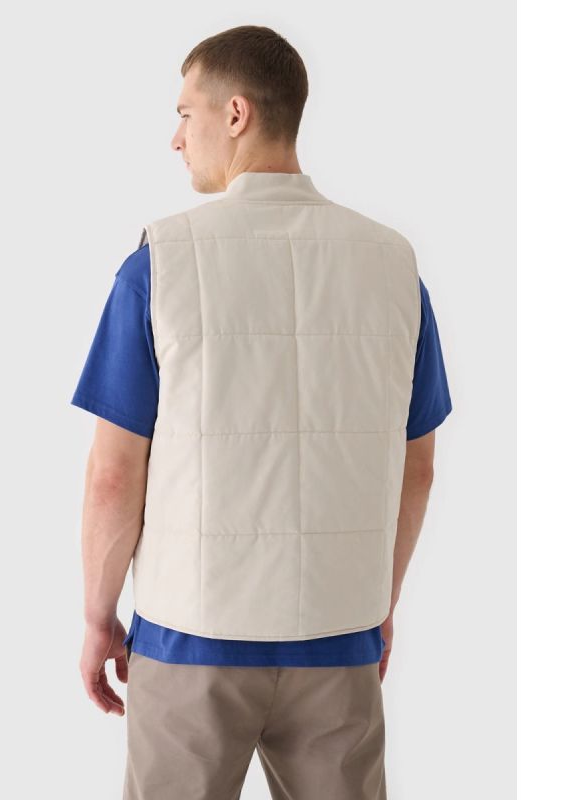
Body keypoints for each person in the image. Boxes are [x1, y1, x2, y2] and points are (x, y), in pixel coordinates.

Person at [71, 24, 452, 800]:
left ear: (236, 113)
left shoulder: (159, 265)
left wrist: (98, 618)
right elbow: (417, 465)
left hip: (191, 639)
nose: (177, 138)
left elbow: (114, 474)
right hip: (339, 637)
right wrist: (378, 604)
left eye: (186, 113)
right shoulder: (393, 266)